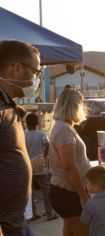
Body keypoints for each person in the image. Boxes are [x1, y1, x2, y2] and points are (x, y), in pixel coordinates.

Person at [0, 40, 42, 236]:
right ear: (17, 69)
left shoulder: (8, 106)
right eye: (36, 72)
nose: (36, 79)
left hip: (16, 222)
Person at [49, 88, 91, 236]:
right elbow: (69, 166)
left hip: (67, 191)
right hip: (67, 192)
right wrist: (83, 195)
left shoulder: (65, 127)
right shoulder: (63, 130)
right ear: (75, 106)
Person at [25, 113, 58, 221]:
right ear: (38, 123)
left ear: (26, 124)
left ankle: (32, 214)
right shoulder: (42, 134)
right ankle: (49, 213)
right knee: (46, 191)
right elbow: (47, 144)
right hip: (41, 168)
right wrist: (44, 156)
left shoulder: (24, 135)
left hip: (29, 167)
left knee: (30, 193)